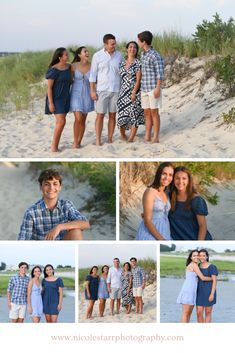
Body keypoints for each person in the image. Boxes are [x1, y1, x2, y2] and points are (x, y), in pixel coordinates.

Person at [18, 169, 90, 240]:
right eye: (47, 184)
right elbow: (23, 240)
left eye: (55, 184)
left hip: (63, 249)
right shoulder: (31, 212)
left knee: (76, 231)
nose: (51, 188)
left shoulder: (66, 206)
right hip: (42, 250)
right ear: (40, 187)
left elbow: (86, 224)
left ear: (60, 187)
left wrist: (59, 227)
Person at [89, 33, 123, 145]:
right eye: (112, 44)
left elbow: (122, 73)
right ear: (105, 44)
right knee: (100, 115)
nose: (114, 46)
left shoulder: (119, 55)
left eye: (115, 43)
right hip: (101, 90)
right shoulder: (97, 56)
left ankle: (109, 138)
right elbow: (93, 75)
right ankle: (98, 140)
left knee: (113, 115)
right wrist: (92, 91)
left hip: (115, 89)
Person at [168, 166, 213, 240]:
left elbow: (202, 226)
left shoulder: (196, 200)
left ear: (189, 180)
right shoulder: (169, 197)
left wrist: (198, 245)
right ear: (173, 180)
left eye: (184, 178)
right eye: (177, 178)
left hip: (196, 239)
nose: (180, 182)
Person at [135, 162, 174, 240]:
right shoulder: (150, 192)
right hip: (151, 232)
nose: (167, 177)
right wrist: (161, 240)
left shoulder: (167, 193)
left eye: (170, 175)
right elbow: (147, 221)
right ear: (159, 174)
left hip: (165, 231)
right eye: (164, 174)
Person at [137, 31, 164, 143]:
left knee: (154, 113)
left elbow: (160, 73)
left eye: (139, 40)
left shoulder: (155, 55)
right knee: (146, 113)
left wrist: (158, 88)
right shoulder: (142, 54)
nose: (138, 42)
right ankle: (148, 134)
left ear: (144, 42)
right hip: (144, 88)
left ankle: (156, 136)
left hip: (153, 88)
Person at [117, 41, 144, 142]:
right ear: (127, 49)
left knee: (134, 115)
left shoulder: (138, 63)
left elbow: (138, 80)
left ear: (136, 50)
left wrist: (133, 92)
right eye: (130, 47)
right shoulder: (122, 63)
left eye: (134, 48)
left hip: (134, 92)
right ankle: (123, 135)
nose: (132, 49)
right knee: (122, 116)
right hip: (122, 93)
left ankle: (131, 138)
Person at [45, 47, 71, 152]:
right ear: (60, 57)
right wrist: (50, 103)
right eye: (65, 55)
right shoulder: (53, 70)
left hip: (66, 97)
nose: (67, 56)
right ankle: (54, 147)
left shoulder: (69, 67)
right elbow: (49, 88)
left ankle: (56, 145)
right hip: (56, 98)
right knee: (61, 121)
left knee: (61, 122)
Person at [177, 250, 213, 323]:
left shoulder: (195, 265)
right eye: (194, 255)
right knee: (186, 313)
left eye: (197, 255)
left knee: (188, 313)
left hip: (192, 291)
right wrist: (213, 278)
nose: (196, 257)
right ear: (191, 257)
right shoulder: (193, 265)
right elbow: (202, 277)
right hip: (188, 291)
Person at [70, 47, 94, 148]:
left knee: (83, 119)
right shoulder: (73, 66)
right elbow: (69, 80)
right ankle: (75, 142)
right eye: (85, 51)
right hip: (75, 94)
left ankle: (79, 141)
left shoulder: (92, 65)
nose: (87, 53)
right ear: (79, 55)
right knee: (78, 118)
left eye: (87, 51)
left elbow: (94, 81)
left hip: (87, 94)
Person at [196, 249, 218, 323]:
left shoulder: (212, 266)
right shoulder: (198, 266)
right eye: (200, 255)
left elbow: (214, 281)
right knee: (199, 313)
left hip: (209, 291)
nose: (201, 257)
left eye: (203, 256)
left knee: (208, 313)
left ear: (207, 257)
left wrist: (212, 294)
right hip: (199, 292)